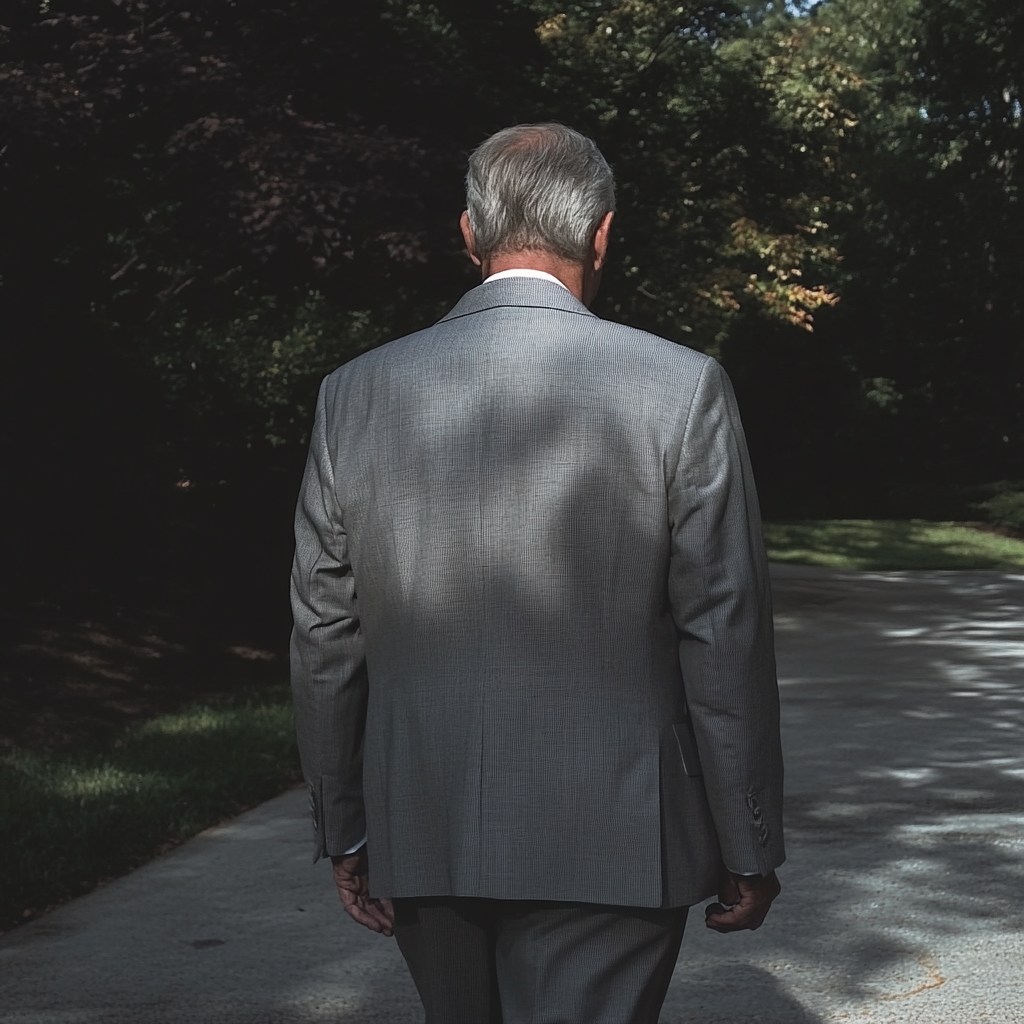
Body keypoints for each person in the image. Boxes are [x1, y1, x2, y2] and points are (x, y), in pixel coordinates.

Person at [290, 122, 784, 1024]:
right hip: (617, 833)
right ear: (601, 233)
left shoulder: (354, 395)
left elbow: (326, 631)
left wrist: (346, 824)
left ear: (469, 234)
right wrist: (748, 840)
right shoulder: (681, 388)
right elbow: (724, 629)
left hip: (422, 819)